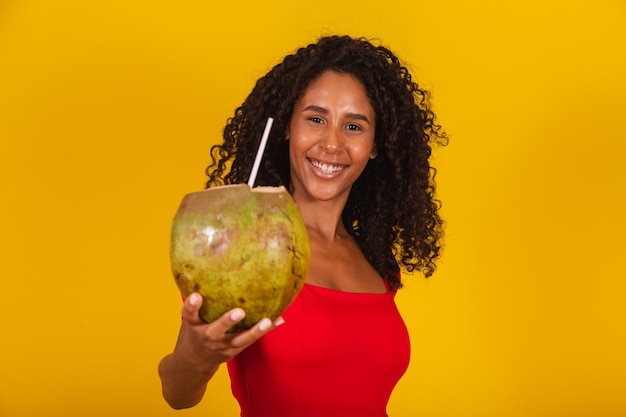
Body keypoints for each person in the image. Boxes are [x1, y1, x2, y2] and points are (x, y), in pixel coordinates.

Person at [158, 34, 448, 417]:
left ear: (376, 145)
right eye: (316, 119)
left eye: (354, 126)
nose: (332, 143)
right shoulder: (244, 245)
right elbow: (177, 392)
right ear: (286, 128)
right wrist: (197, 356)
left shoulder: (376, 262)